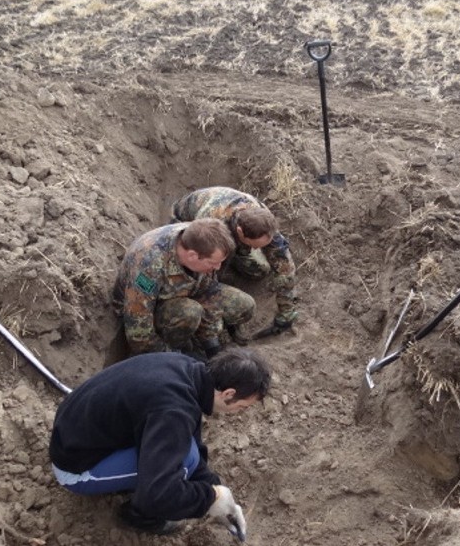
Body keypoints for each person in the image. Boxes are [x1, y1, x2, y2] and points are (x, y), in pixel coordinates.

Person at [49, 348, 271, 538]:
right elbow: (157, 493)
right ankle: (139, 517)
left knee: (186, 455)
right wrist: (210, 499)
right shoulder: (173, 410)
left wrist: (215, 487)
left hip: (74, 433)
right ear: (229, 393)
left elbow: (188, 436)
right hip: (76, 467)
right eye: (241, 407)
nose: (237, 413)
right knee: (181, 466)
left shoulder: (187, 369)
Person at [112, 218, 255, 358]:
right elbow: (138, 333)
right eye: (213, 263)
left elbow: (206, 287)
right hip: (152, 307)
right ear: (192, 256)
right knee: (190, 312)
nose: (217, 268)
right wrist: (173, 358)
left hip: (188, 289)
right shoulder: (148, 266)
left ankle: (202, 338)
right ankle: (177, 348)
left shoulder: (201, 237)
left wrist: (211, 343)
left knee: (245, 305)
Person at [171, 186, 298, 340]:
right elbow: (198, 261)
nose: (257, 249)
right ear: (239, 232)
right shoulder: (211, 222)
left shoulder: (263, 221)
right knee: (207, 272)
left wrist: (286, 313)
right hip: (188, 225)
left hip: (232, 233)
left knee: (260, 270)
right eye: (254, 246)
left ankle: (233, 261)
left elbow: (284, 264)